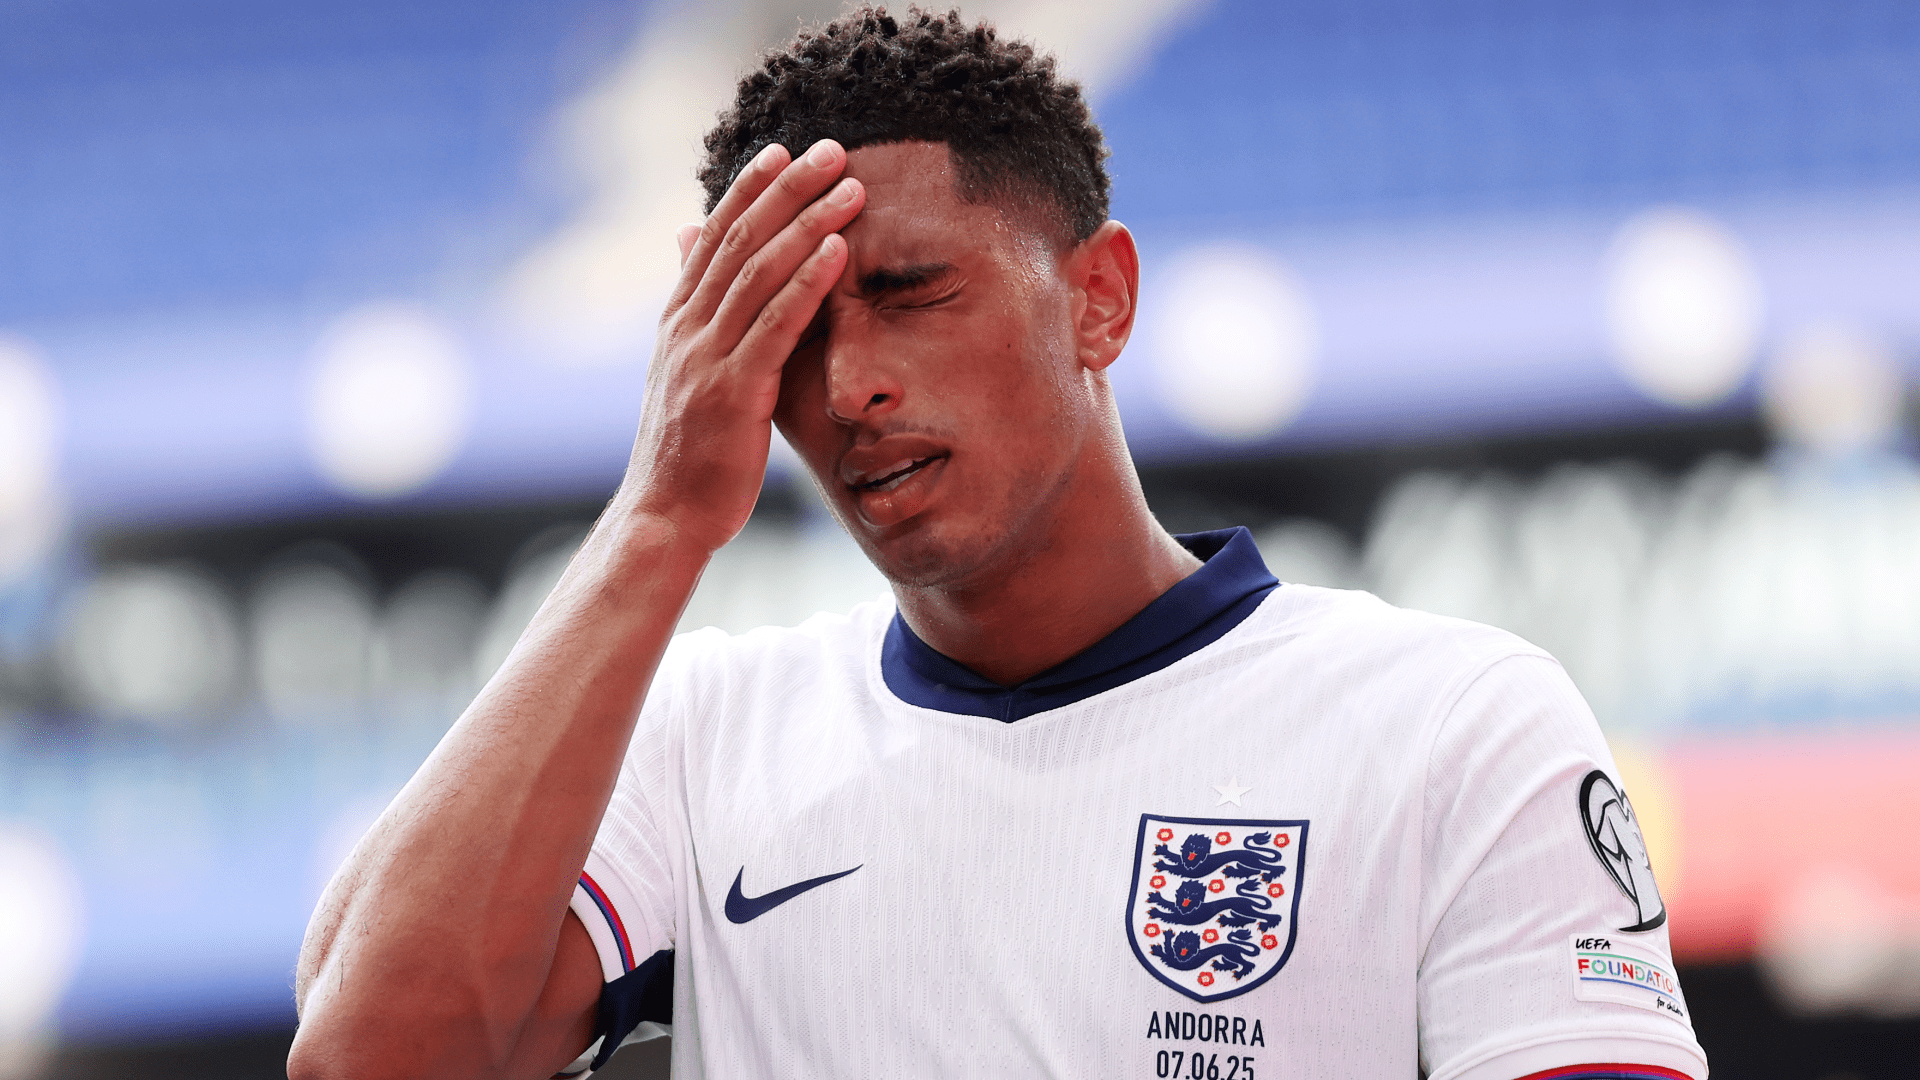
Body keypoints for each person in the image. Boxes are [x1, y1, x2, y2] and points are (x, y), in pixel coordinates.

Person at [287, 8, 1709, 1080]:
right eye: (790, 336)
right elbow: (369, 1057)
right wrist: (658, 521)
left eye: (911, 292)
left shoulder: (1456, 726)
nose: (849, 387)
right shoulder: (704, 738)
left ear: (1099, 299)